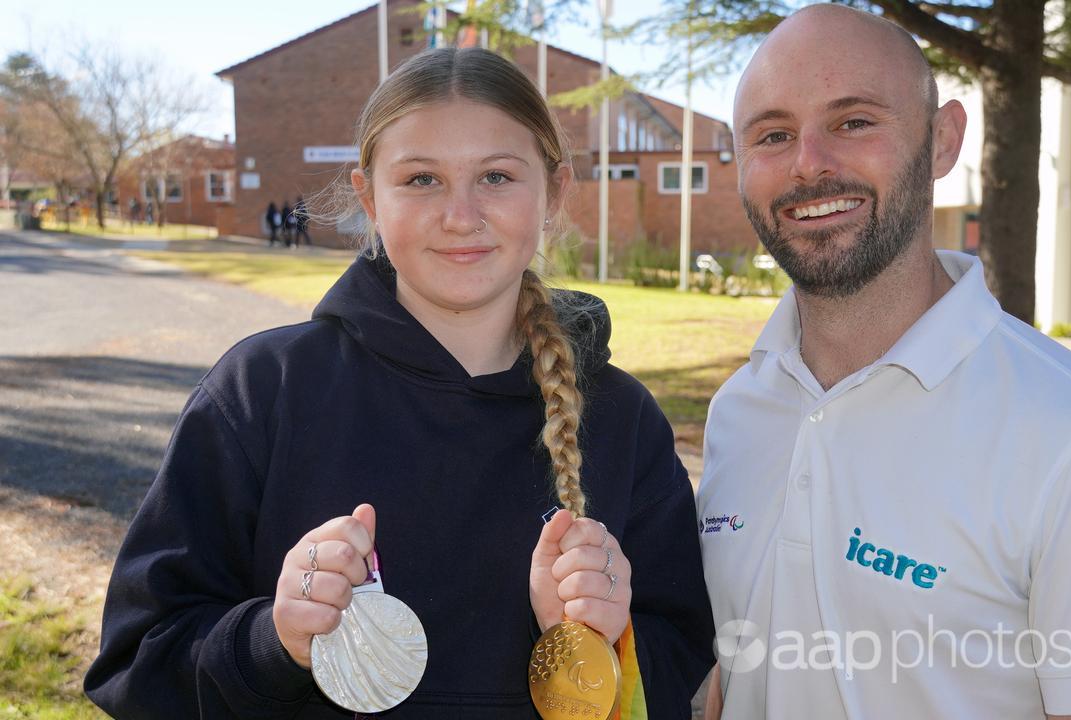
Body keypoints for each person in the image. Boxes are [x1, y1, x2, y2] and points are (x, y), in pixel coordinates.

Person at [85, 47, 714, 718]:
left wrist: (605, 642)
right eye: (421, 179)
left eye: (497, 176)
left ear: (554, 191)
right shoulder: (263, 393)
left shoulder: (622, 420)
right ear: (368, 197)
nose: (461, 215)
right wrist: (276, 641)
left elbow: (681, 670)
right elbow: (139, 665)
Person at [698, 6, 1071, 720]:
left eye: (854, 122)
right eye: (773, 135)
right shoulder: (739, 412)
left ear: (942, 141)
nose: (809, 162)